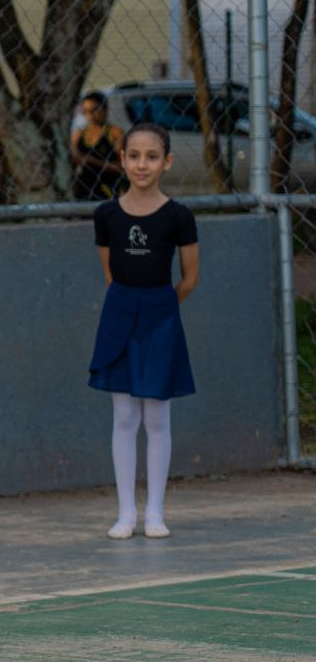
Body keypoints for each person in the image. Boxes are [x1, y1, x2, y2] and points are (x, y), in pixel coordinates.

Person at [89, 123, 198, 540]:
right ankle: (125, 513)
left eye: (152, 156)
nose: (142, 164)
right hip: (120, 312)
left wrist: (161, 309)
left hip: (160, 315)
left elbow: (189, 278)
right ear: (122, 160)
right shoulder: (107, 215)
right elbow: (110, 272)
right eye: (134, 155)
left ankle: (155, 511)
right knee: (123, 414)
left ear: (166, 162)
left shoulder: (178, 216)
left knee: (157, 415)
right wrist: (129, 306)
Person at [72, 91, 124, 201]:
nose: (90, 115)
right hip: (83, 191)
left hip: (107, 190)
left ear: (105, 109)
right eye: (85, 111)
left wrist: (92, 161)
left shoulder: (114, 133)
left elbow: (120, 168)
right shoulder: (78, 135)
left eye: (94, 110)